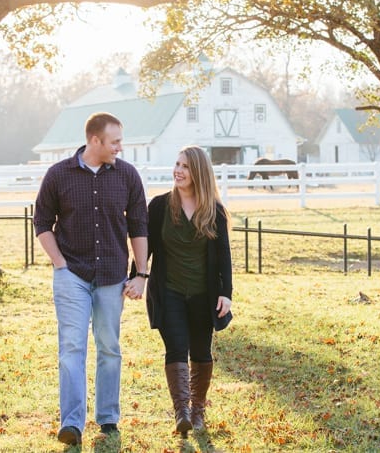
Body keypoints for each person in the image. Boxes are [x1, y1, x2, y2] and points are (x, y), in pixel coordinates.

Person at [33, 112, 149, 446]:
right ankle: (71, 423)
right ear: (94, 140)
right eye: (115, 142)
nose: (120, 147)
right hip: (72, 275)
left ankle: (108, 417)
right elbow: (42, 221)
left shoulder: (127, 175)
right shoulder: (59, 175)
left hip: (113, 275)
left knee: (109, 346)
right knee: (71, 346)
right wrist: (59, 264)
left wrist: (140, 274)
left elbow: (139, 225)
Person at [140, 145, 233, 437]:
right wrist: (136, 276)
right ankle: (181, 413)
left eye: (185, 166)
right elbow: (147, 247)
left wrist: (226, 292)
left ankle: (198, 412)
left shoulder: (214, 211)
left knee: (202, 351)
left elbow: (224, 256)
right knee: (177, 347)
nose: (178, 170)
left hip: (204, 294)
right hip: (169, 291)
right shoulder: (159, 206)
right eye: (177, 164)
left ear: (199, 173)